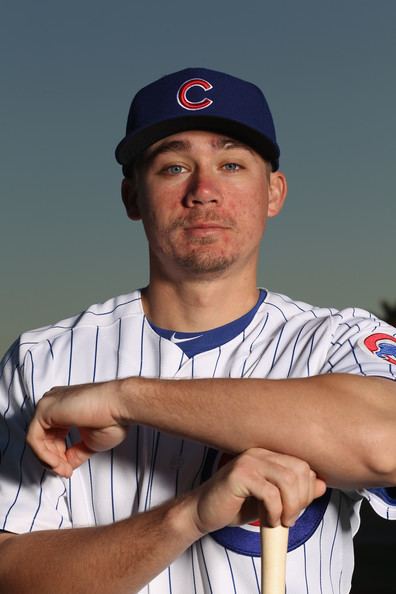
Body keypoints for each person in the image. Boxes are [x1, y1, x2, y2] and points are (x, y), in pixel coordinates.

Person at [0, 67, 395, 594]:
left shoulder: (335, 341)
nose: (203, 191)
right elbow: (10, 573)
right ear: (132, 198)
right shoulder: (43, 360)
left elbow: (385, 442)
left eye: (231, 164)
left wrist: (127, 398)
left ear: (274, 193)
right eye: (173, 167)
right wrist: (189, 516)